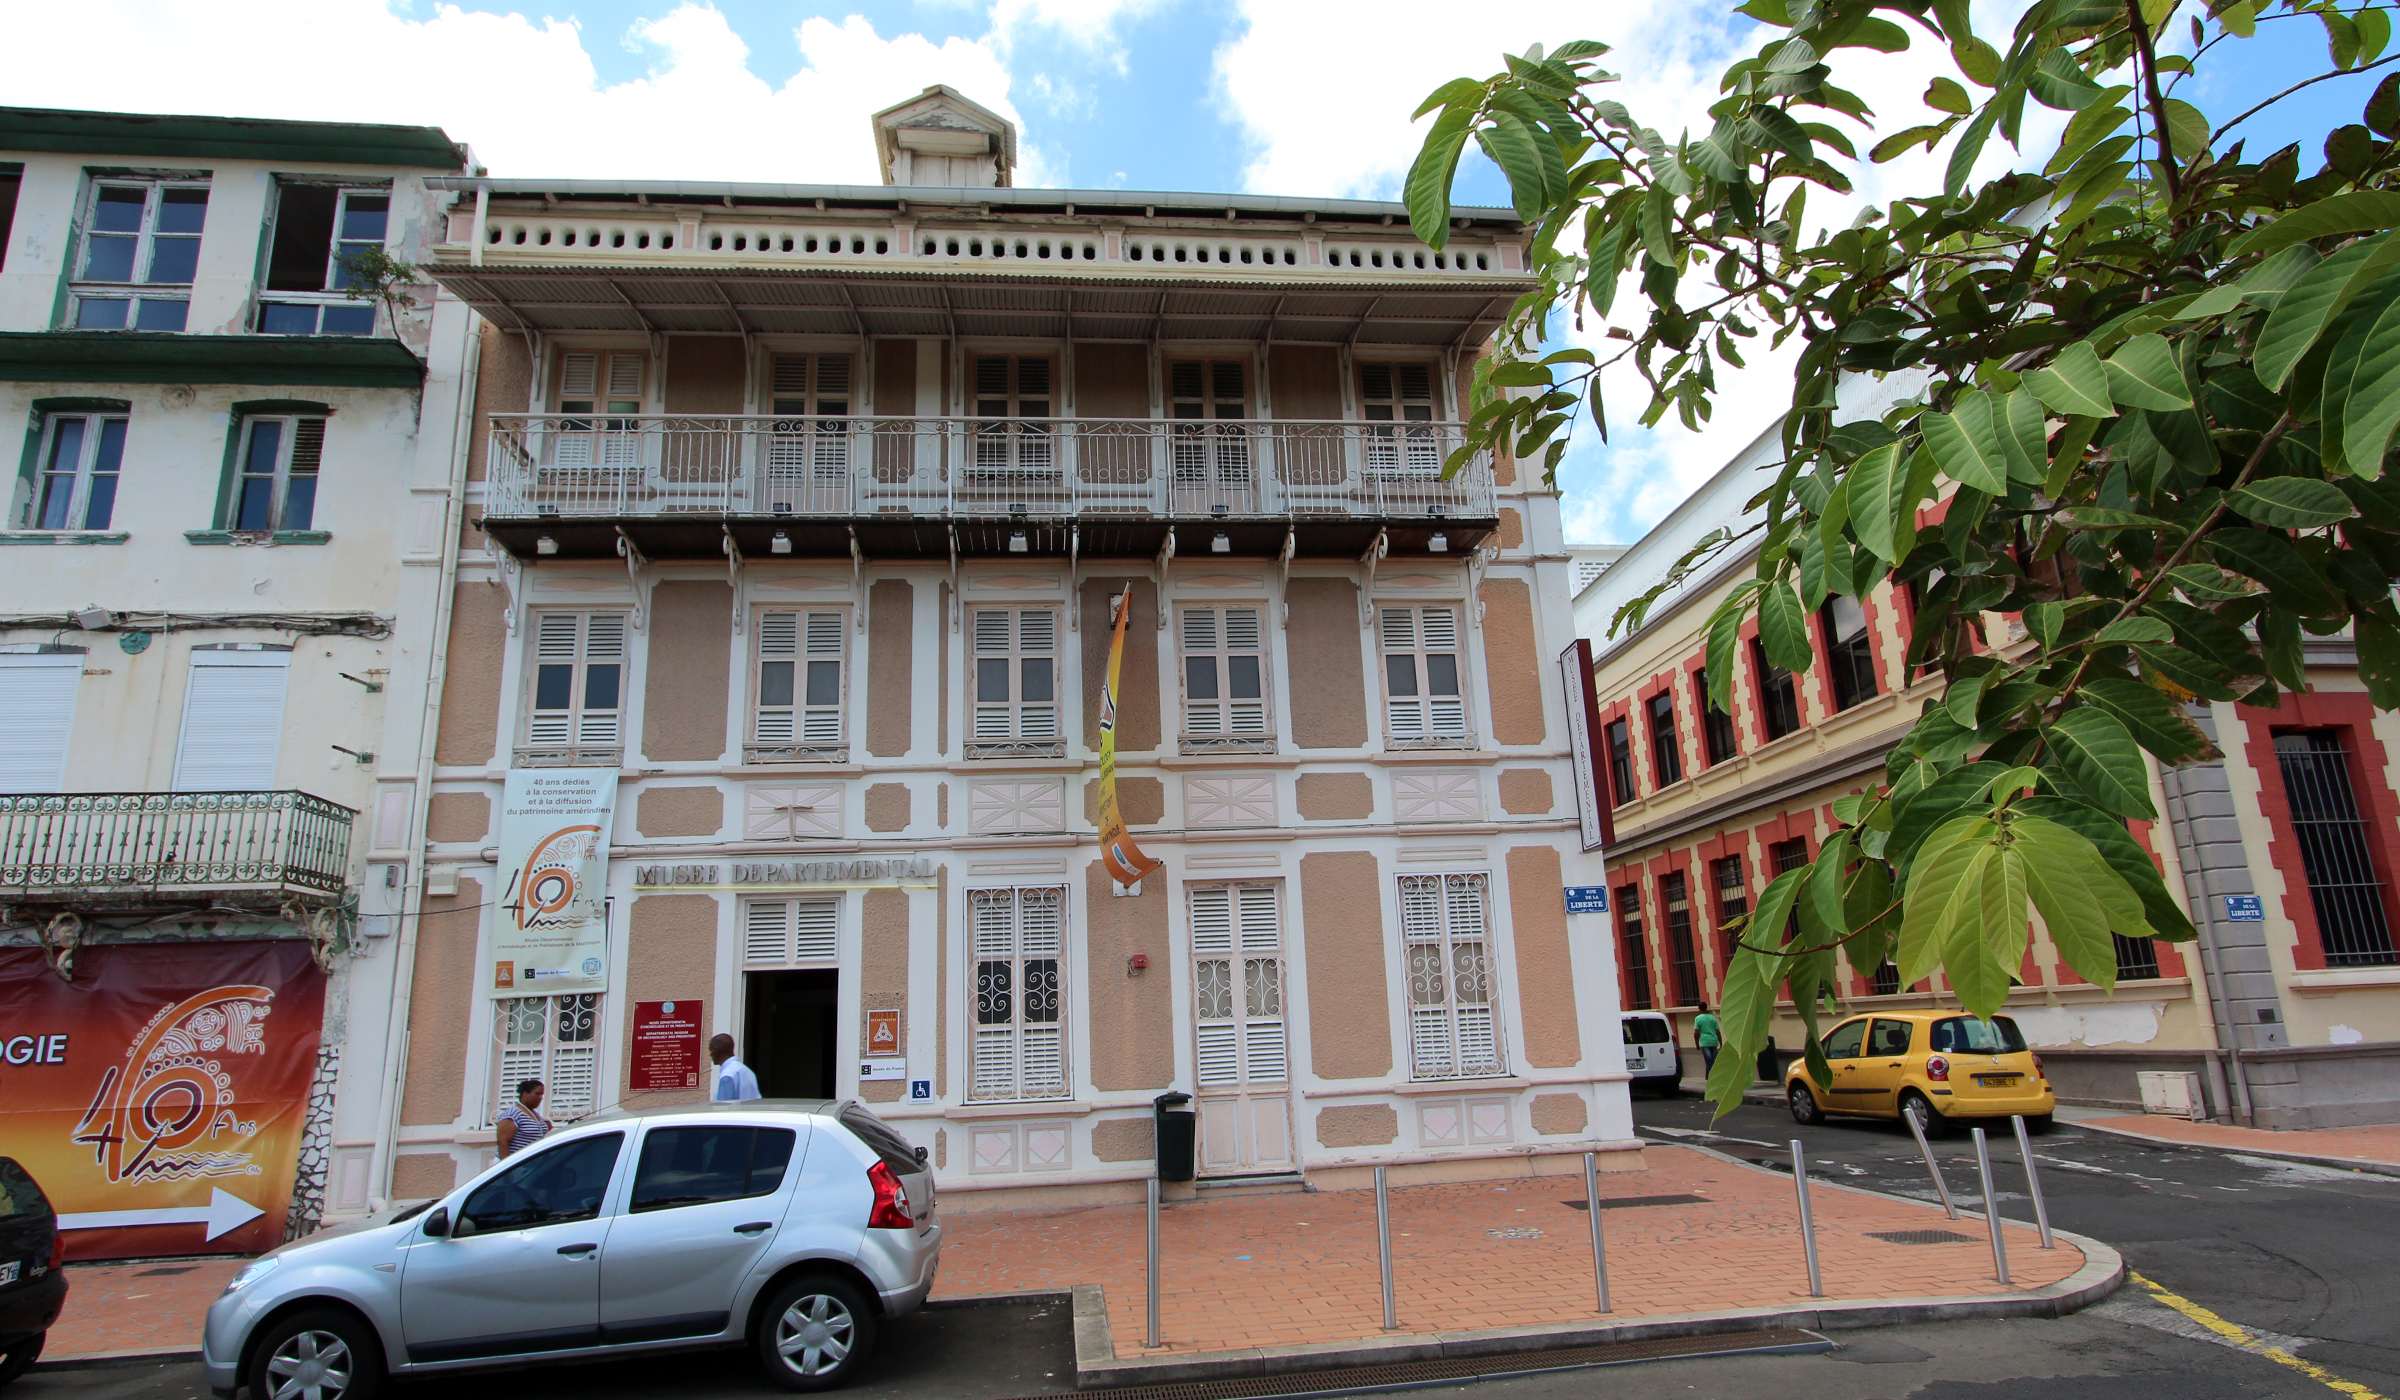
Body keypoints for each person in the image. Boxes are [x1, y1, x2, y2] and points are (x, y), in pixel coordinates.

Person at [495, 1078, 550, 1158]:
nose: (540, 1097)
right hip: (517, 1164)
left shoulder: (535, 1115)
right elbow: (503, 1142)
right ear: (525, 1094)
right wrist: (509, 1167)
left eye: (541, 1095)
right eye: (537, 1094)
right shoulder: (513, 1114)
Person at [710, 1033, 762, 1102]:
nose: (710, 1054)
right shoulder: (747, 1071)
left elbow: (723, 1109)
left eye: (711, 1050)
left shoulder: (727, 1075)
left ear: (717, 1051)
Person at [1694, 1002, 1722, 1076]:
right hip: (1714, 1041)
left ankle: (1712, 1076)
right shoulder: (1712, 1017)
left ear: (1699, 1009)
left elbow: (1696, 1033)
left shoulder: (1698, 1018)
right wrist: (1721, 1042)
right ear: (1706, 1007)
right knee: (1712, 1060)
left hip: (1704, 1042)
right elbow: (1718, 1031)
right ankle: (1709, 1075)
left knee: (1709, 1060)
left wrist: (1696, 1044)